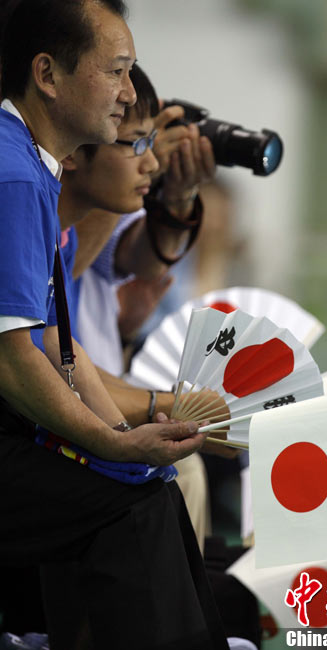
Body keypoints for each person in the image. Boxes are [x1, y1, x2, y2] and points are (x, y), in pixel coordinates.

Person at [0, 1, 229, 648]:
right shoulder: (14, 174)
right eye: (117, 71)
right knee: (132, 505)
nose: (128, 92)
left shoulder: (30, 166)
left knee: (150, 488)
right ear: (47, 74)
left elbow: (55, 340)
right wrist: (114, 444)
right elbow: (13, 359)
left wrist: (126, 446)